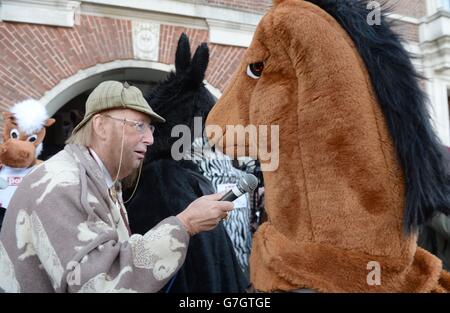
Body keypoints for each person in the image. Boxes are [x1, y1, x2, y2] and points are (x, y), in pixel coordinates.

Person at [0, 80, 233, 293]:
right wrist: (185, 224)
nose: (150, 140)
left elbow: (111, 253)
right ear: (100, 126)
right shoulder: (61, 185)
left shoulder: (97, 178)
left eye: (150, 128)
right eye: (139, 126)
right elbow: (99, 284)